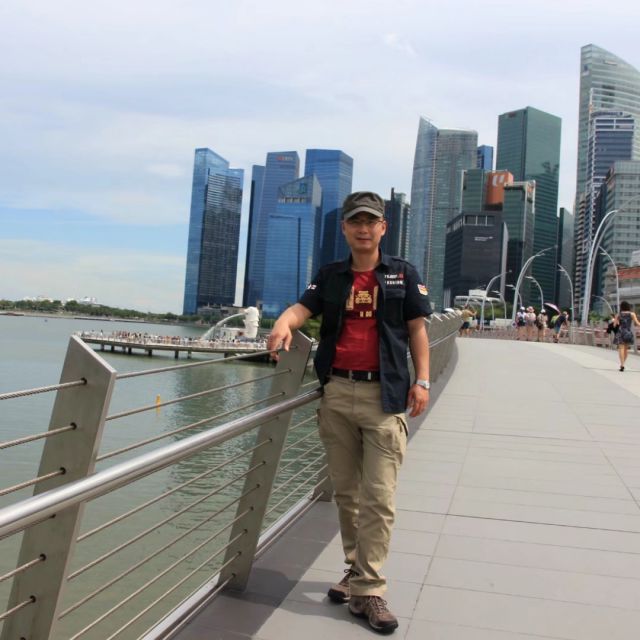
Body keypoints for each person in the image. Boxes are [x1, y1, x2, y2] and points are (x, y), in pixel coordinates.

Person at [267, 191, 431, 634]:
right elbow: (303, 309)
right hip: (337, 393)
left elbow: (417, 329)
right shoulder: (331, 276)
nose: (363, 228)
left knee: (379, 497)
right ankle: (358, 572)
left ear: (383, 228)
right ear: (344, 228)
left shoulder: (402, 274)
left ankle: (370, 590)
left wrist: (422, 380)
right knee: (347, 495)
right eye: (355, 221)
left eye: (370, 221)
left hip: (385, 397)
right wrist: (284, 321)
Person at [612, 301, 640, 371]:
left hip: (620, 332)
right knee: (626, 350)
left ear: (621, 307)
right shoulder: (632, 314)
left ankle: (622, 365)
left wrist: (616, 321)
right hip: (628, 333)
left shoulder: (618, 314)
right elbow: (637, 323)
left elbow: (614, 325)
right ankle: (622, 364)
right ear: (628, 306)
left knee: (621, 348)